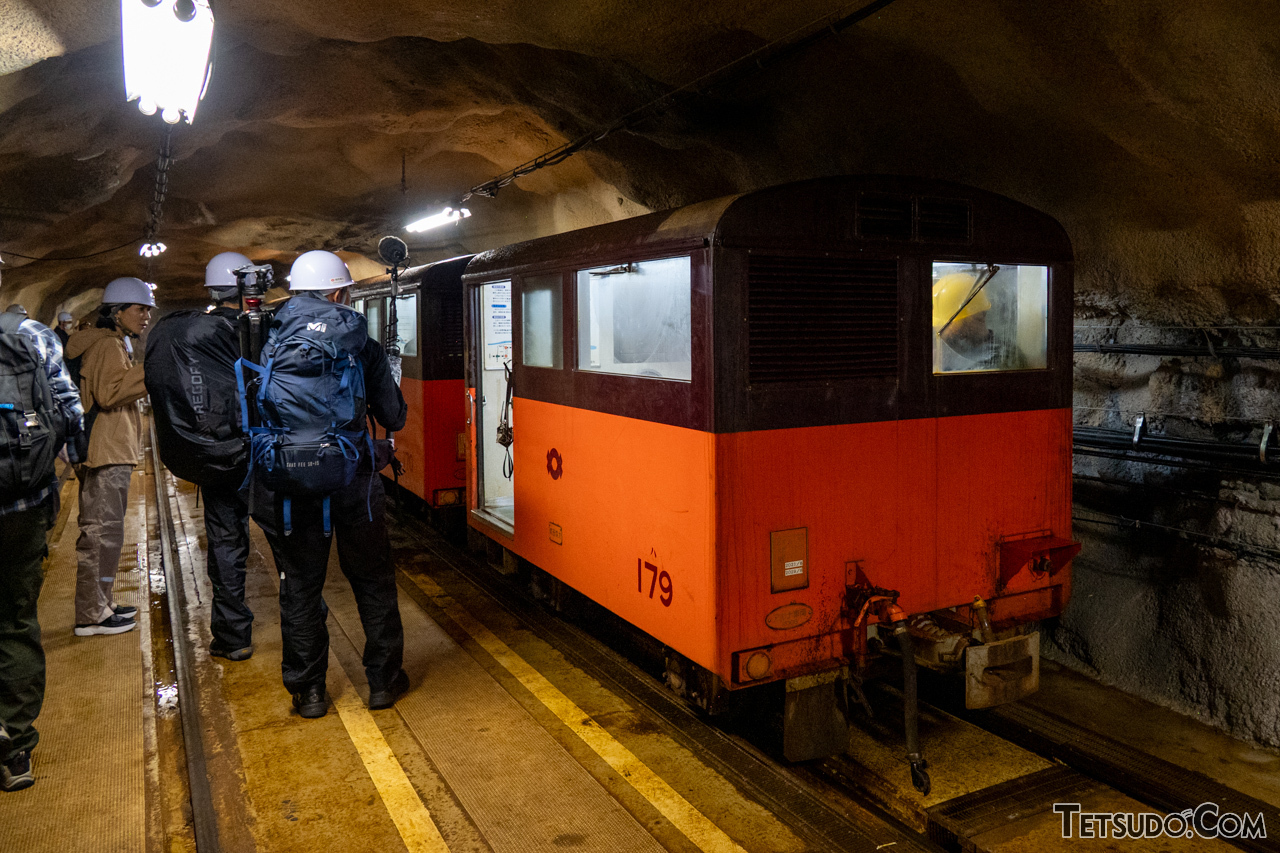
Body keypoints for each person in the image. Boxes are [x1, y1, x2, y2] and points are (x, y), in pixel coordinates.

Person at [250, 250, 408, 718]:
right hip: (354, 478)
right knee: (373, 579)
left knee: (300, 585)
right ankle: (382, 682)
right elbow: (393, 415)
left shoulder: (271, 340)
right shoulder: (362, 344)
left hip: (292, 481)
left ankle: (310, 692)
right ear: (339, 293)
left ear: (297, 292)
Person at [146, 252, 255, 660]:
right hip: (264, 453)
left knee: (226, 546)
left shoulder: (183, 331)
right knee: (291, 549)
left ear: (210, 289)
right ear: (248, 287)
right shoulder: (252, 330)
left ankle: (233, 638)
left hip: (218, 458)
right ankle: (306, 642)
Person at [0, 311, 84, 791]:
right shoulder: (31, 336)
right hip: (22, 506)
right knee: (14, 620)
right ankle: (15, 749)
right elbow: (69, 412)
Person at [65, 277, 154, 636]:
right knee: (101, 533)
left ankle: (102, 599)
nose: (146, 315)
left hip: (108, 447)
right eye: (139, 309)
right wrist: (154, 369)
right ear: (116, 313)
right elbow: (109, 393)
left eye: (148, 309)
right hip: (105, 450)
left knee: (108, 533)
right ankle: (90, 614)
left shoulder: (111, 342)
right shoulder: (106, 347)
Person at [932, 270, 993, 371]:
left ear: (978, 316)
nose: (939, 333)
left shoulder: (1001, 360)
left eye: (945, 324)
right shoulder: (950, 354)